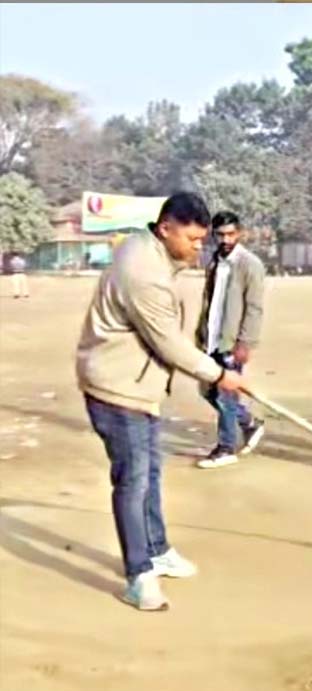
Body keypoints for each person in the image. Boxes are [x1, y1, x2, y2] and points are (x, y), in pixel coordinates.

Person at [76, 192, 248, 611]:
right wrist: (219, 375)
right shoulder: (143, 272)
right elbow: (168, 343)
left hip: (140, 387)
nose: (198, 247)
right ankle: (139, 575)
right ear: (165, 227)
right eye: (191, 239)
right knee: (133, 480)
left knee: (149, 471)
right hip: (117, 390)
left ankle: (157, 549)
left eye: (202, 239)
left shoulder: (152, 252)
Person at [193, 211, 266, 469]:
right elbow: (208, 302)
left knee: (225, 395)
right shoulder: (214, 262)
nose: (225, 239)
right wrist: (200, 334)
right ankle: (248, 423)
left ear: (240, 233)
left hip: (231, 343)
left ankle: (226, 447)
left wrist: (246, 343)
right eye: (220, 234)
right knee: (208, 391)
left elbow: (254, 307)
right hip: (210, 339)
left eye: (230, 234)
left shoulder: (250, 264)